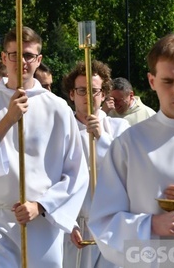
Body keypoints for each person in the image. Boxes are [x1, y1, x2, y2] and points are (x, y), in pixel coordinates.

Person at [0, 26, 89, 267]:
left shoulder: (57, 109)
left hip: (40, 223)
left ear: (39, 60)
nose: (22, 62)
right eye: (14, 54)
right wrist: (7, 120)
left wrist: (42, 205)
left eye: (28, 55)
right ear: (4, 58)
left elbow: (76, 172)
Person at [88, 34, 174, 267]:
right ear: (152, 81)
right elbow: (103, 223)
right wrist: (152, 225)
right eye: (168, 81)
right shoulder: (128, 144)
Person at [61, 60, 129, 268]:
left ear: (104, 94)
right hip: (75, 226)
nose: (88, 97)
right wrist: (67, 221)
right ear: (72, 94)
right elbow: (53, 178)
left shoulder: (119, 128)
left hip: (111, 225)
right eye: (81, 90)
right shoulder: (62, 132)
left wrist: (101, 138)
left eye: (94, 91)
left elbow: (128, 171)